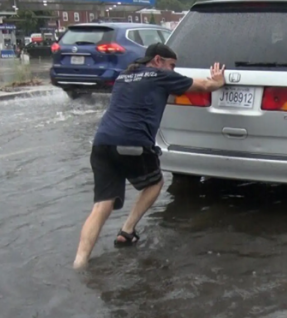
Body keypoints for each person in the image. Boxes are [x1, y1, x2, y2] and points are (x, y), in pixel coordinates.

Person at [73, 43, 226, 269]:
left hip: (102, 144)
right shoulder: (159, 76)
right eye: (172, 65)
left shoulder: (125, 76)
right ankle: (127, 230)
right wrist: (218, 81)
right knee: (155, 182)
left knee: (101, 206)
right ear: (157, 60)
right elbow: (204, 85)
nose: (173, 71)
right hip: (133, 143)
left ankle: (80, 263)